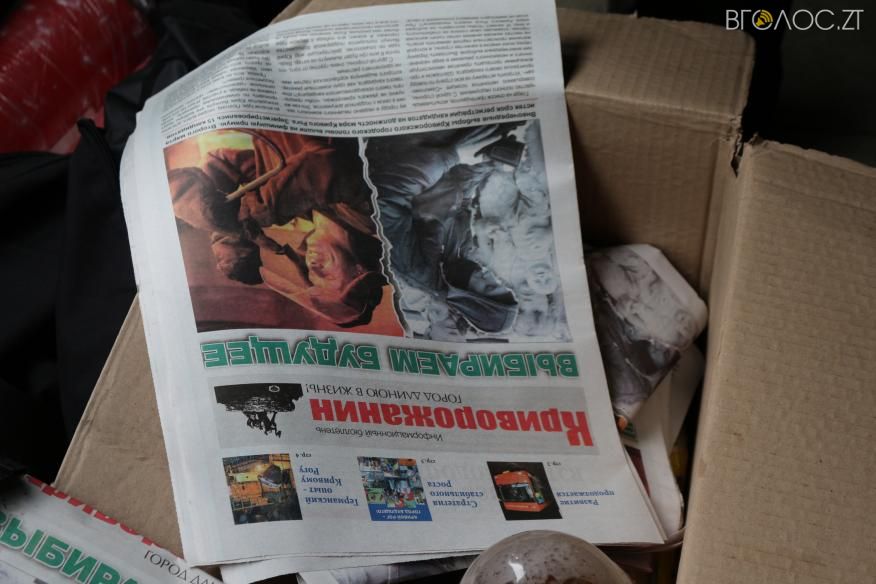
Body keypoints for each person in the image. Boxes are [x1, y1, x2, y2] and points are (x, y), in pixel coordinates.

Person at [167, 129, 386, 327]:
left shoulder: (306, 210)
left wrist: (227, 234)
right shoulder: (371, 217)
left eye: (312, 280)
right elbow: (328, 167)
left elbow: (222, 164)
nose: (314, 269)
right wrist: (252, 214)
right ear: (360, 271)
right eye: (328, 279)